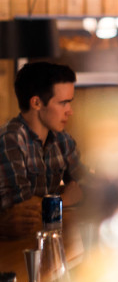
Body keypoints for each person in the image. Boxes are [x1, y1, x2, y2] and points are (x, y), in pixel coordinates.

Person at [0, 62, 84, 239]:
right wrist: (63, 200)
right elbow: (25, 210)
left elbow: (84, 186)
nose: (70, 111)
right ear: (36, 103)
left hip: (44, 239)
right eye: (63, 103)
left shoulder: (63, 140)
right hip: (11, 246)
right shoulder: (10, 139)